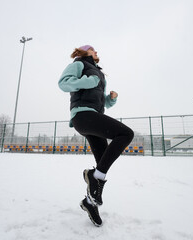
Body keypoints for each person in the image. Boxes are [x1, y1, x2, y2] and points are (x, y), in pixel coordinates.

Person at [58, 45, 134, 227]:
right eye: (93, 49)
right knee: (125, 133)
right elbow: (63, 83)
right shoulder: (79, 64)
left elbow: (100, 101)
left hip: (93, 115)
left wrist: (111, 99)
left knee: (103, 161)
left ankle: (89, 202)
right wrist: (88, 82)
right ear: (84, 52)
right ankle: (93, 177)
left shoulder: (98, 73)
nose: (96, 51)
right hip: (82, 116)